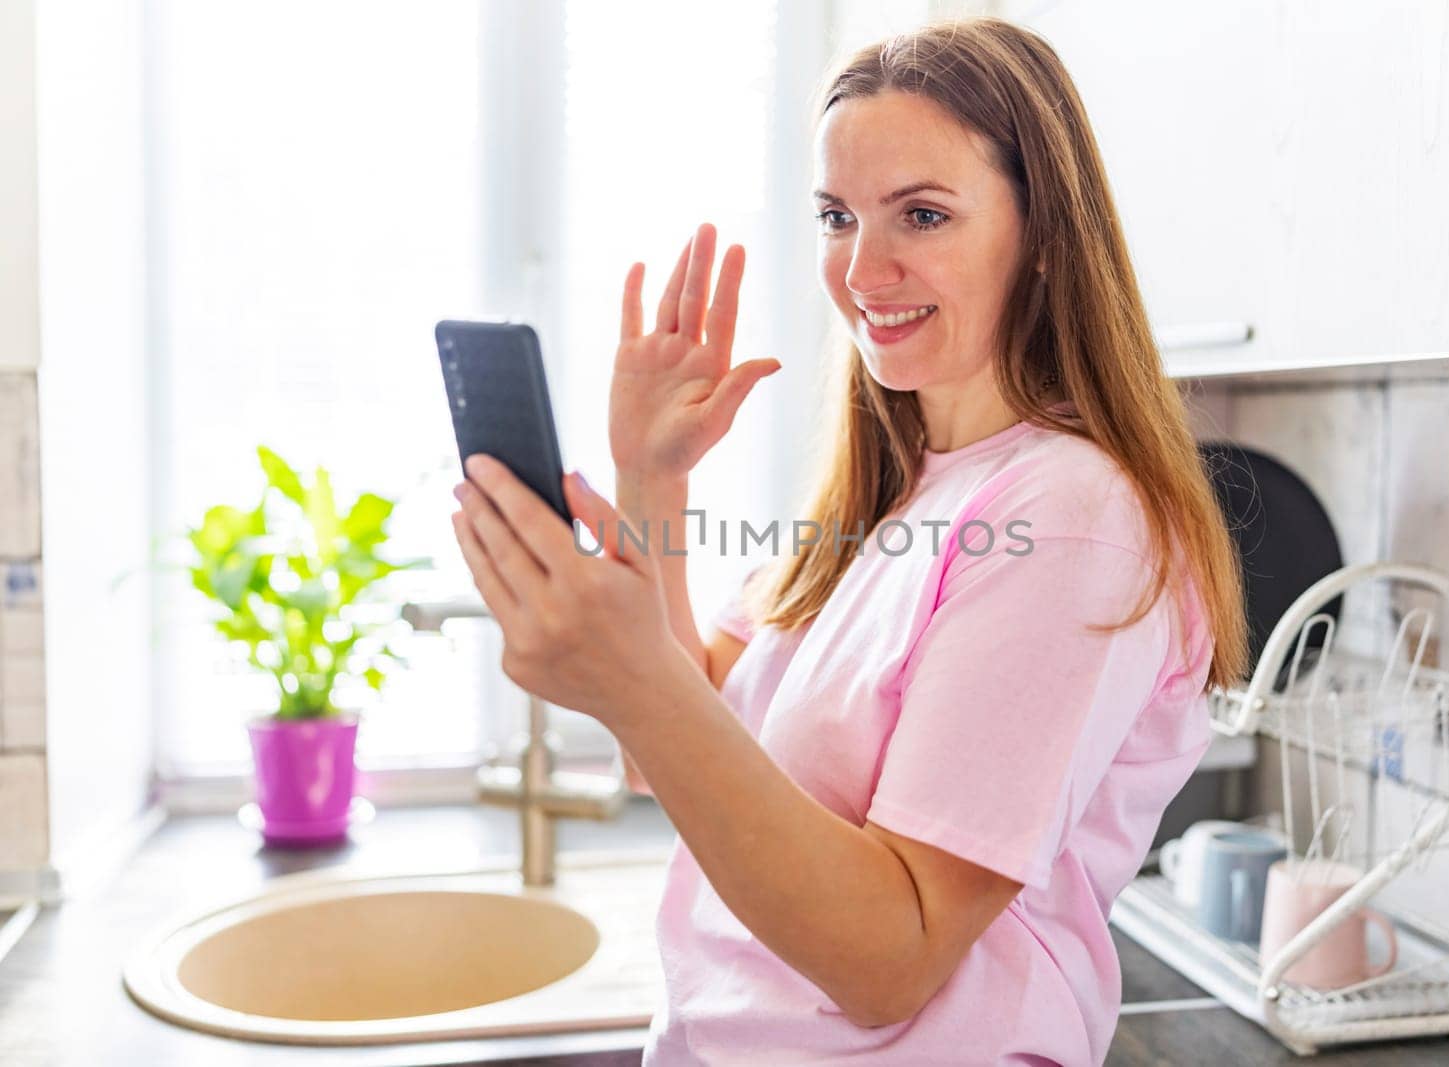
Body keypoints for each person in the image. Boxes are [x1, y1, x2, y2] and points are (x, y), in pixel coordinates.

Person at [450, 15, 1247, 1066]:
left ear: (1044, 233)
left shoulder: (1068, 516)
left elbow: (891, 958)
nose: (863, 271)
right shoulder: (880, 501)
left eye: (921, 214)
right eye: (837, 216)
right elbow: (682, 744)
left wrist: (628, 674)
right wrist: (653, 475)